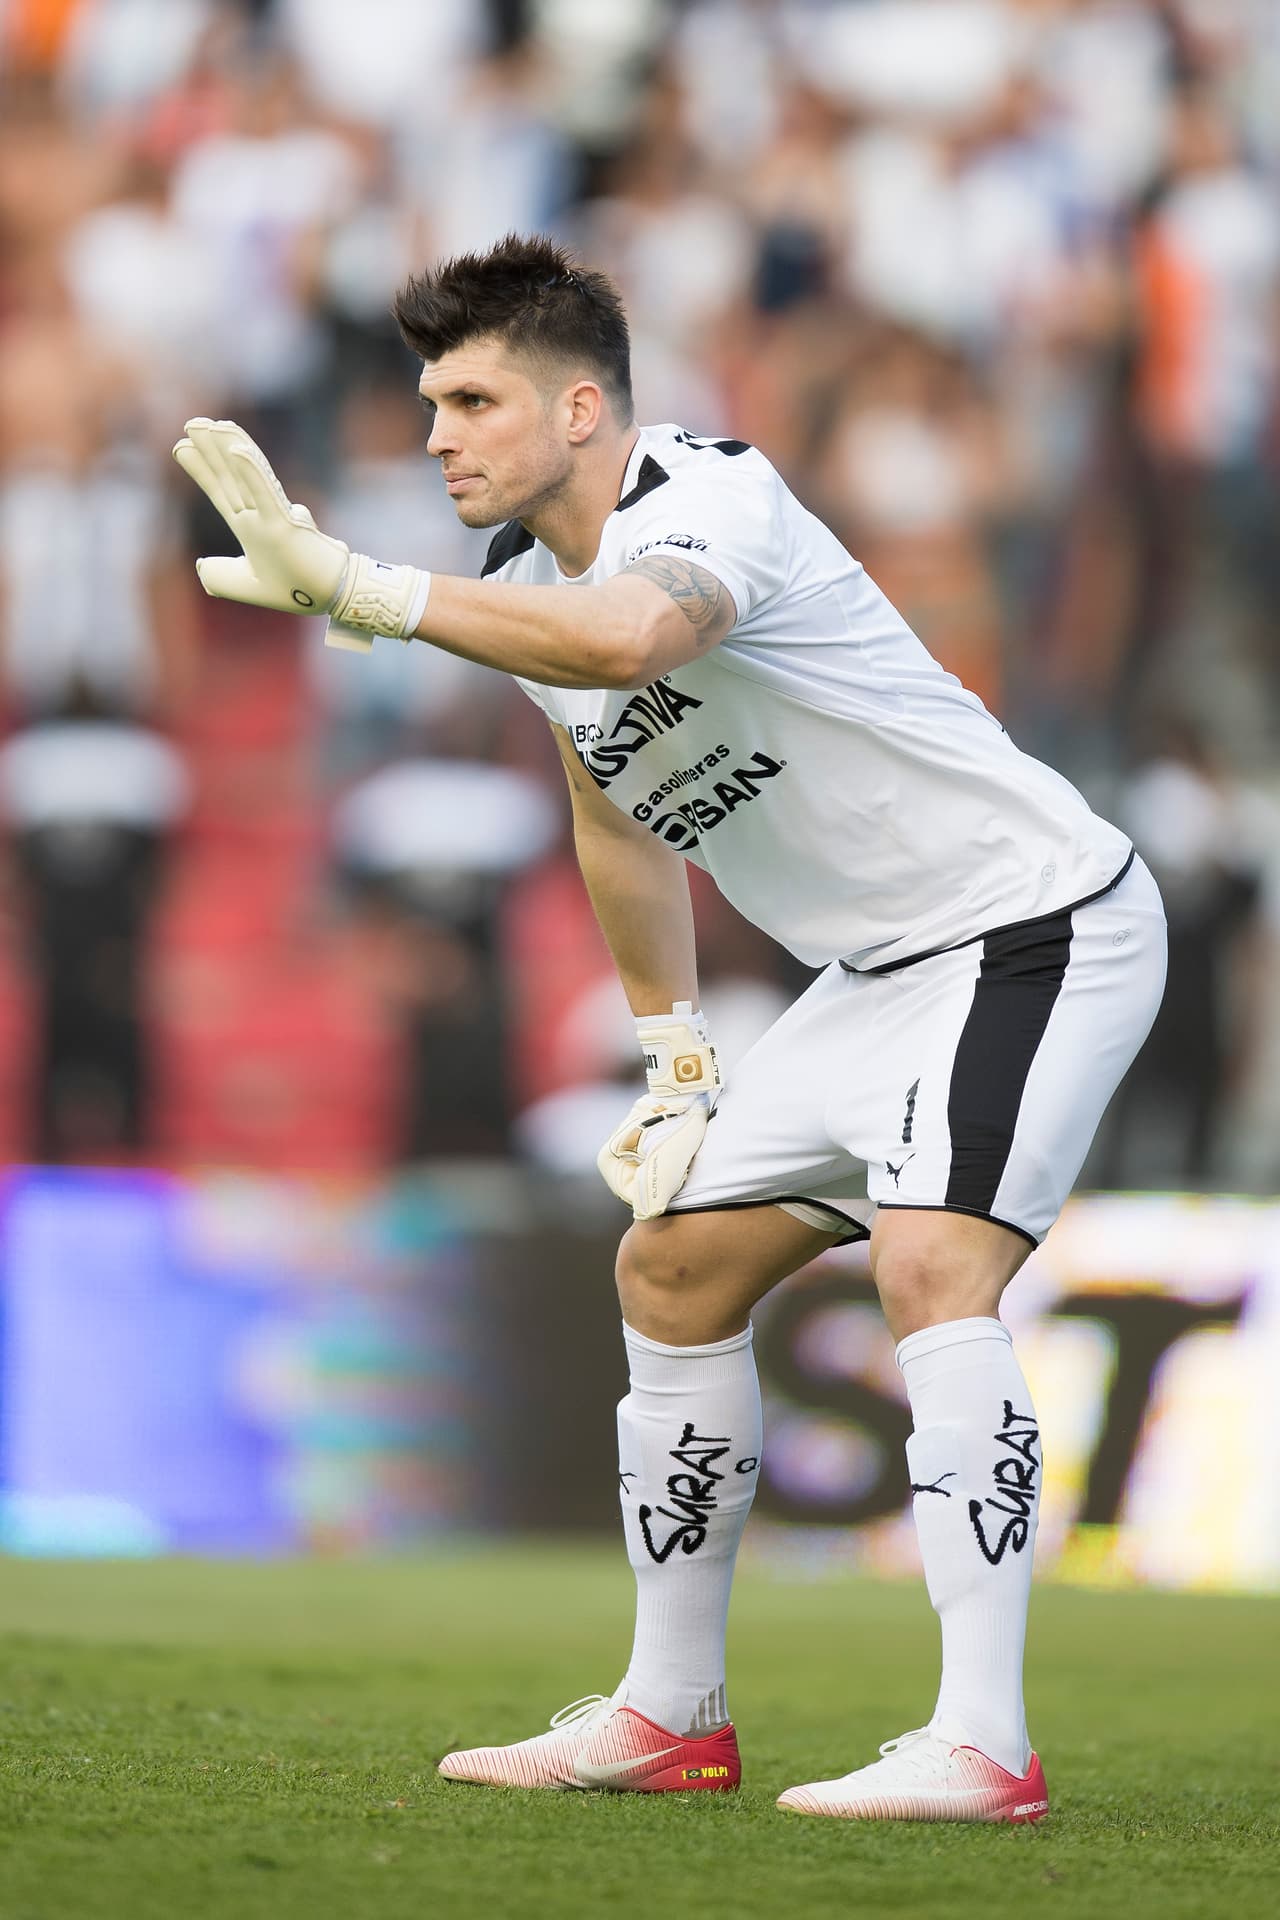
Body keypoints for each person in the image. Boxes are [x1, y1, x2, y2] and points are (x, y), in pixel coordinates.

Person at [172, 233, 1167, 1823]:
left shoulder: (711, 499)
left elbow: (633, 643)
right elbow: (614, 808)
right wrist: (676, 1055)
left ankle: (985, 1741)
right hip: (877, 974)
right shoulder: (525, 590)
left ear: (581, 409)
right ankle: (670, 1716)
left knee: (930, 1265)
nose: (437, 438)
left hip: (1032, 921)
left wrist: (361, 590)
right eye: (430, 406)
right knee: (672, 1267)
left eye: (472, 402)